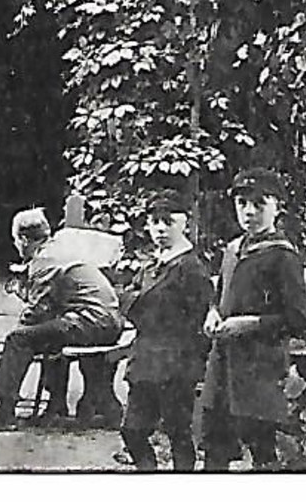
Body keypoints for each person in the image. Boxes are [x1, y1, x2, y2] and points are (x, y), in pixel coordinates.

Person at [201, 168, 306, 471]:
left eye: (259, 203)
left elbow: (299, 318)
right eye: (242, 203)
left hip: (260, 371)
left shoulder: (282, 255)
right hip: (222, 367)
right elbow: (220, 294)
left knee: (262, 453)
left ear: (277, 207)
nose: (249, 211)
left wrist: (251, 324)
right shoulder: (232, 249)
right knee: (214, 450)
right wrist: (213, 313)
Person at [0, 208, 124, 430]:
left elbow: (36, 312)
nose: (16, 246)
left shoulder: (44, 261)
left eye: (15, 240)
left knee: (18, 339)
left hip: (91, 321)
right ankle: (55, 407)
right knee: (48, 334)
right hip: (106, 320)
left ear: (24, 239)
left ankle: (2, 412)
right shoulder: (58, 250)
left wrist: (18, 333)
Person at [119, 192, 213, 471]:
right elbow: (128, 300)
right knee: (132, 430)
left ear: (184, 223)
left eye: (168, 222)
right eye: (155, 222)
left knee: (178, 433)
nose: (160, 228)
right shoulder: (150, 264)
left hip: (176, 364)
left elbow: (197, 318)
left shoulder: (191, 268)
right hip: (145, 359)